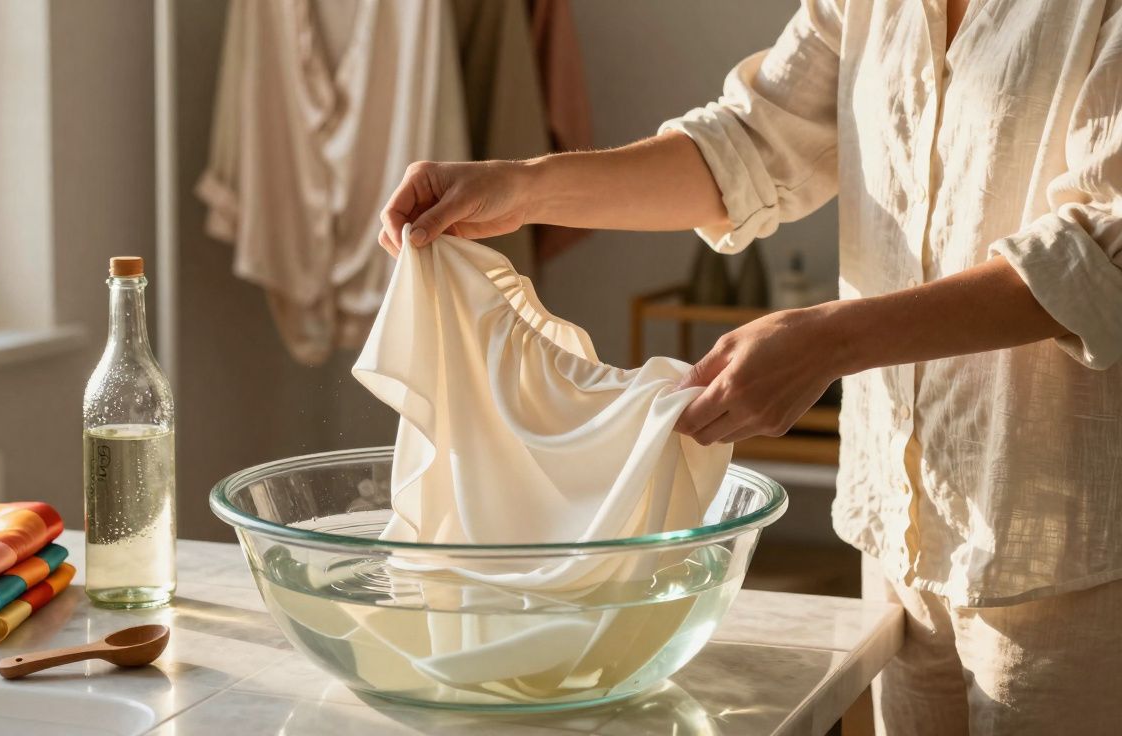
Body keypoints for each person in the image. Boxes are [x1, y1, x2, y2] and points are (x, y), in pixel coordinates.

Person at [378, 1, 1122, 734]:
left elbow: (1104, 247)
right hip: (900, 525)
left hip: (1071, 540)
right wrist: (525, 186)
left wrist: (831, 342)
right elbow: (751, 142)